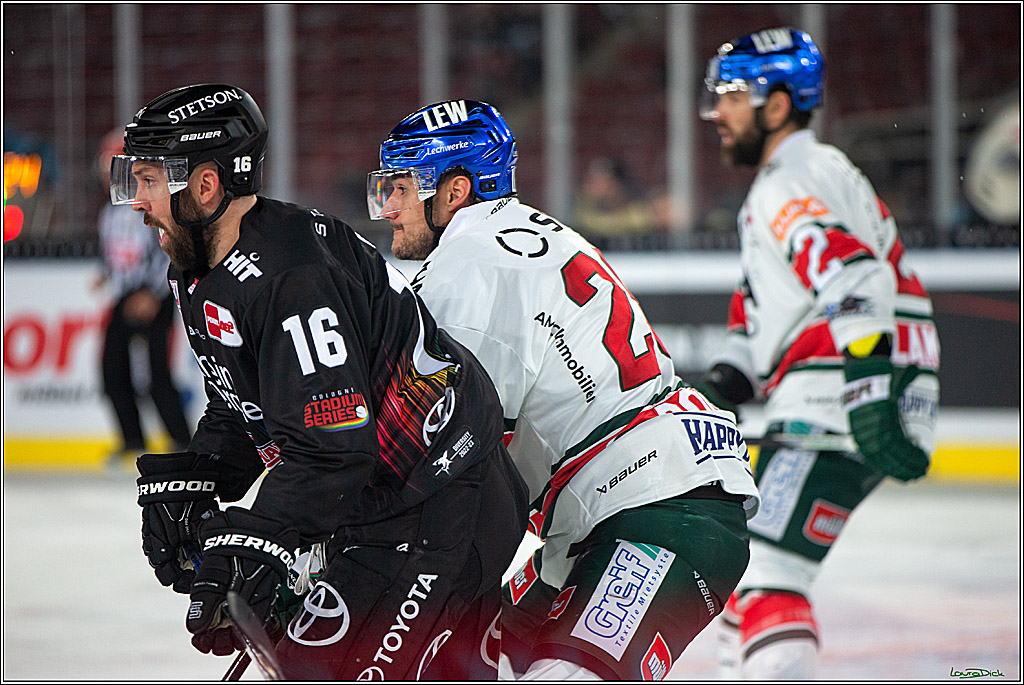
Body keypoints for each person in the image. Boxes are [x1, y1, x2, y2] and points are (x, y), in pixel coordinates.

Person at [114, 83, 528, 680]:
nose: (133, 201)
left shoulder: (295, 278)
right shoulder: (198, 267)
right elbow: (248, 406)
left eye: (147, 180)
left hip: (442, 505)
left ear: (205, 187)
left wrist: (254, 536)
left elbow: (333, 450)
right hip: (381, 502)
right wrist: (199, 474)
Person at [369, 99, 760, 680]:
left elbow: (455, 461)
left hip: (657, 511)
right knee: (481, 661)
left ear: (454, 190)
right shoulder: (524, 233)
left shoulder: (466, 264)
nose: (389, 207)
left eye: (402, 186)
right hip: (631, 504)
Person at [695, 28, 941, 678]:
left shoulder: (793, 178)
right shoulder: (794, 177)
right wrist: (708, 393)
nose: (716, 112)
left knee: (767, 571)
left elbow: (854, 278)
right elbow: (759, 334)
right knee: (741, 572)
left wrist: (867, 395)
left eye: (732, 97)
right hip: (829, 396)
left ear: (777, 105)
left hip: (834, 400)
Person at [93, 128, 192, 465]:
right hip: (125, 296)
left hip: (155, 297)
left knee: (157, 375)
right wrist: (107, 275)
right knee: (112, 370)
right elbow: (119, 255)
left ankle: (182, 440)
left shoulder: (151, 208)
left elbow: (167, 253)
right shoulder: (108, 213)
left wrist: (153, 293)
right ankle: (132, 438)